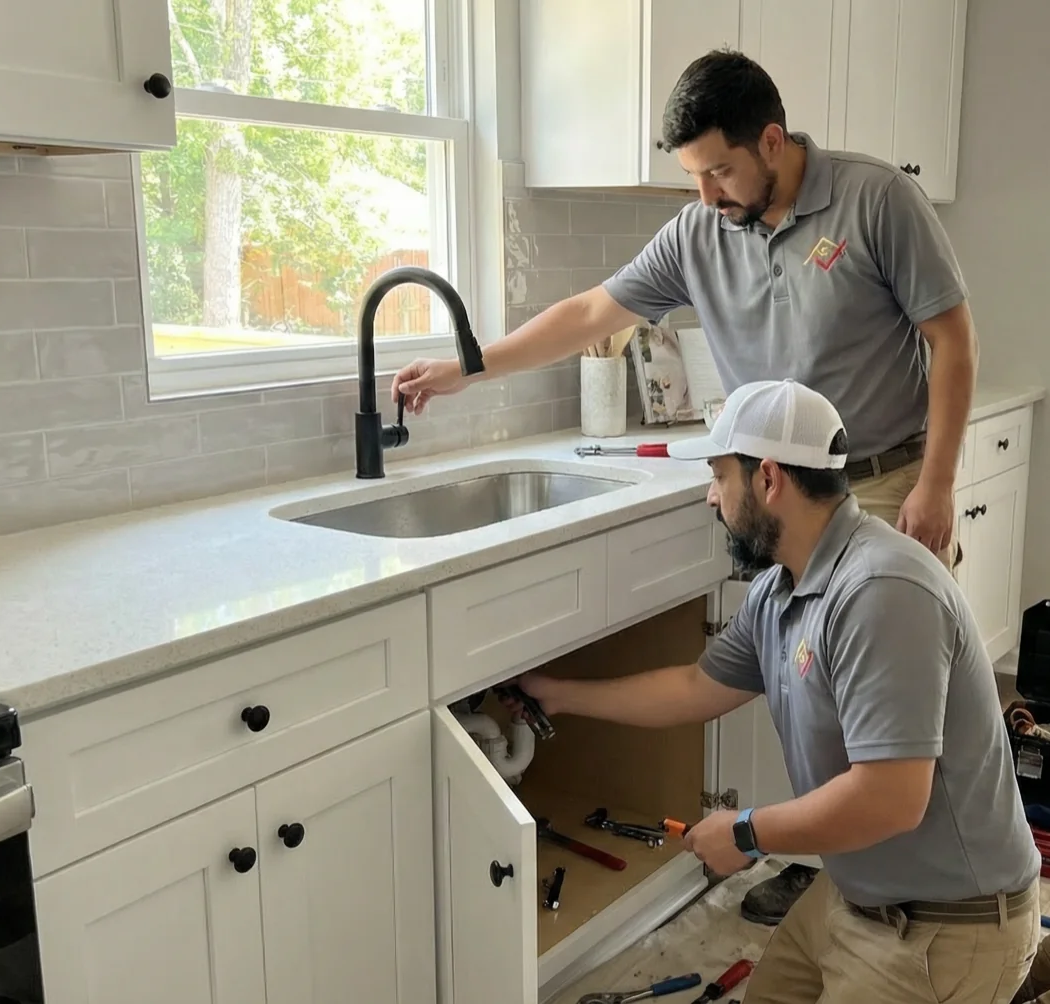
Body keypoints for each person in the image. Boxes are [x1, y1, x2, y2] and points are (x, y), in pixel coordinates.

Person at [397, 50, 981, 921]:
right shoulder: (700, 231)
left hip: (881, 478)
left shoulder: (875, 198)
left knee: (875, 706)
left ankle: (907, 887)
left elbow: (952, 341)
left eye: (718, 170)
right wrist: (468, 368)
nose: (705, 193)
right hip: (774, 489)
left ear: (772, 142)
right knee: (798, 682)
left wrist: (937, 483)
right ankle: (832, 867)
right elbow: (592, 314)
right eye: (692, 175)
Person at [507, 379, 1042, 1004]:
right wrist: (559, 694)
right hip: (854, 896)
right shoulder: (781, 592)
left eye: (718, 476)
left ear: (767, 479)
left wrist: (747, 833)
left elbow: (892, 799)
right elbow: (693, 687)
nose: (711, 496)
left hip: (942, 929)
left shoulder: (881, 592)